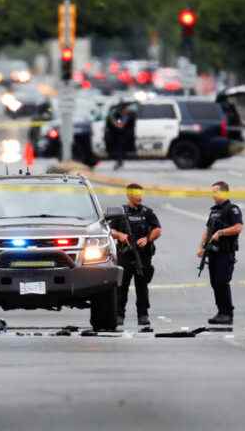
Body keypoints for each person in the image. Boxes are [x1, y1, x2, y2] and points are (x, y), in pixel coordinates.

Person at [110, 183, 162, 326]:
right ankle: (119, 315)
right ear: (128, 195)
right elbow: (109, 230)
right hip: (125, 255)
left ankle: (143, 315)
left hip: (143, 256)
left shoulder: (147, 212)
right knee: (121, 287)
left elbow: (157, 229)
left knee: (142, 287)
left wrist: (147, 238)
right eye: (136, 194)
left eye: (140, 194)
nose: (139, 196)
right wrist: (120, 235)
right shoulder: (120, 212)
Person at [197, 181, 243, 325]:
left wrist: (221, 232)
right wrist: (201, 247)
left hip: (225, 252)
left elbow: (238, 227)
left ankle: (227, 313)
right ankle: (221, 312)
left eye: (216, 191)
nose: (213, 195)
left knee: (222, 282)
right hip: (213, 253)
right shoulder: (214, 211)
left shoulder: (232, 209)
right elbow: (207, 230)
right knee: (215, 283)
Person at [105, 105, 136, 170]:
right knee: (118, 149)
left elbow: (121, 125)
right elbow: (119, 124)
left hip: (125, 135)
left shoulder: (129, 116)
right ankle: (119, 161)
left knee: (120, 149)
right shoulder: (118, 116)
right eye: (124, 110)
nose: (126, 111)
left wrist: (115, 122)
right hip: (118, 135)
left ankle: (119, 161)